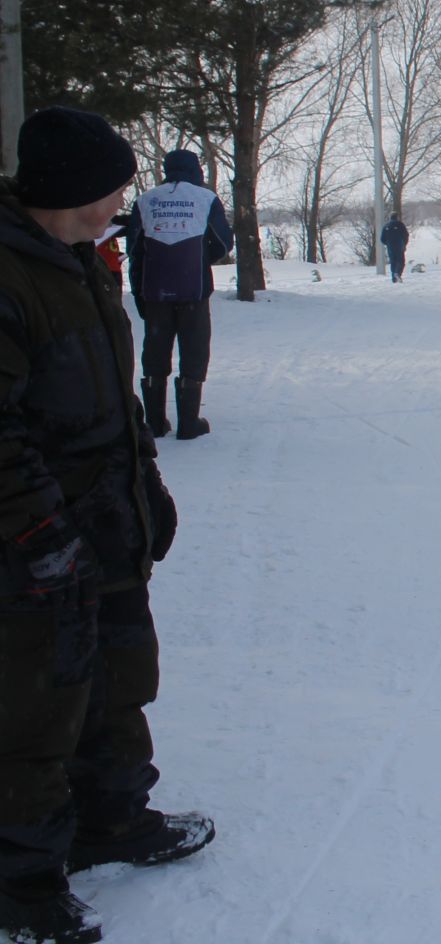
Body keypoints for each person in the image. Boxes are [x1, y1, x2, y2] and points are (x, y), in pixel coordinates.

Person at [1, 108, 215, 944]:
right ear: (68, 189)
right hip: (36, 530)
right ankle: (19, 886)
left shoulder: (85, 264)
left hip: (106, 512)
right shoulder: (12, 276)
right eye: (111, 187)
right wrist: (35, 533)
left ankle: (113, 817)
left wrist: (146, 481)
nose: (122, 201)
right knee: (36, 702)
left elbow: (117, 391)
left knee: (120, 672)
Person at [125, 150, 233, 442]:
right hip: (193, 289)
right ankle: (189, 422)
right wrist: (200, 259)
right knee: (194, 347)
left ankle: (155, 422)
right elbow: (224, 242)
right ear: (195, 169)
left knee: (155, 349)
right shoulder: (205, 198)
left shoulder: (146, 200)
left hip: (155, 289)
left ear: (166, 169)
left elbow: (133, 247)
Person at [380, 213, 409, 283]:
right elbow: (406, 235)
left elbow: (382, 239)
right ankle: (398, 273)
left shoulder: (386, 226)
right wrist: (404, 244)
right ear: (397, 217)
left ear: (390, 218)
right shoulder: (400, 224)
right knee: (401, 261)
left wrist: (387, 244)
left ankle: (394, 278)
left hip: (390, 247)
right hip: (399, 245)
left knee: (393, 262)